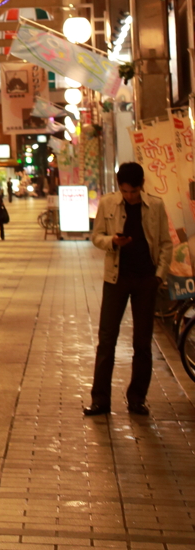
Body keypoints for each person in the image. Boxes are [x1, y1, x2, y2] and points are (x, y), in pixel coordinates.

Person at [84, 162, 171, 417]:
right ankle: (100, 400)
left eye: (133, 191)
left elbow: (165, 243)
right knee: (106, 340)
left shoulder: (156, 206)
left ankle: (137, 399)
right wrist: (113, 241)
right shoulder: (108, 203)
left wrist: (158, 276)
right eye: (124, 191)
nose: (129, 196)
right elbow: (96, 236)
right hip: (116, 278)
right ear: (119, 187)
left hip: (146, 279)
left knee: (142, 342)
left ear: (141, 185)